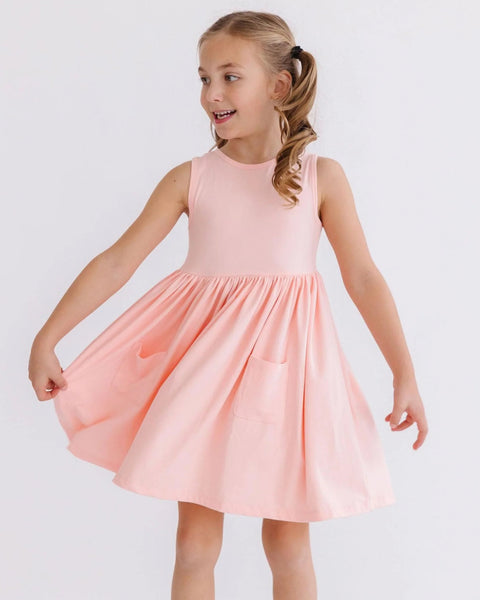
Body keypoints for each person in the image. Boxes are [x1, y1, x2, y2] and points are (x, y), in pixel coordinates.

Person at [28, 10, 428, 600]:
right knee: (195, 545)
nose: (211, 93)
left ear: (279, 85)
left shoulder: (321, 177)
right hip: (204, 377)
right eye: (203, 78)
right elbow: (118, 261)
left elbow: (363, 277)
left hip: (288, 380)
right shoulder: (191, 178)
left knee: (287, 545)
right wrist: (47, 337)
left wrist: (404, 373)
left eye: (229, 77)